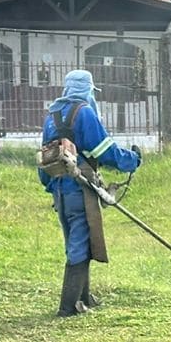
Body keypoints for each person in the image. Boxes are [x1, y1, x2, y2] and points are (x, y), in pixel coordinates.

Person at [38, 69, 142, 317]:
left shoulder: (52, 115)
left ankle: (84, 298)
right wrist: (133, 160)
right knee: (80, 243)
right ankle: (67, 307)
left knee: (75, 240)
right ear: (87, 90)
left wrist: (51, 187)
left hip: (60, 190)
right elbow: (105, 151)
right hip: (80, 187)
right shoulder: (83, 112)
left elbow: (44, 158)